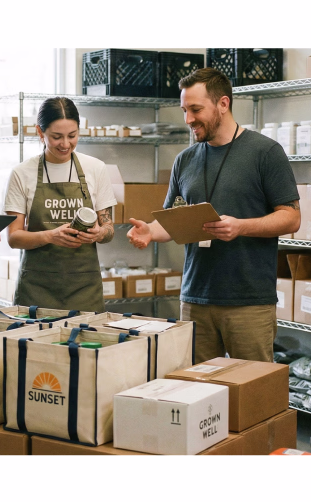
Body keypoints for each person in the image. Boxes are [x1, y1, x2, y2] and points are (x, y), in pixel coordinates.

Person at [127, 68, 301, 363]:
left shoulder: (265, 152)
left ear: (223, 104)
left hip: (248, 302)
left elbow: (291, 217)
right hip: (195, 299)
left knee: (252, 386)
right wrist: (151, 231)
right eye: (184, 110)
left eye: (196, 109)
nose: (188, 119)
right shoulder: (185, 160)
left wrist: (241, 227)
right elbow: (174, 220)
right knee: (198, 386)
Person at [3, 97, 117, 313]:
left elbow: (109, 230)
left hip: (84, 288)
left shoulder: (96, 168)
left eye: (72, 136)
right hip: (37, 289)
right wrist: (50, 236)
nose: (65, 144)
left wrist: (99, 233)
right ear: (40, 132)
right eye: (56, 137)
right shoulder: (22, 173)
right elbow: (14, 237)